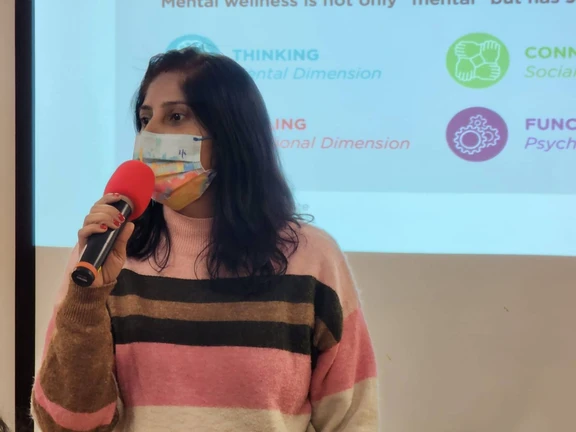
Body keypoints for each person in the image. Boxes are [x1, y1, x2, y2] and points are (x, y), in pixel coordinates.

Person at [31, 47, 378, 431]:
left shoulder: (312, 258)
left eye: (175, 116)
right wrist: (86, 300)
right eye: (145, 119)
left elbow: (352, 420)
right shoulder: (107, 252)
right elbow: (63, 423)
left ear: (231, 134)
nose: (150, 135)